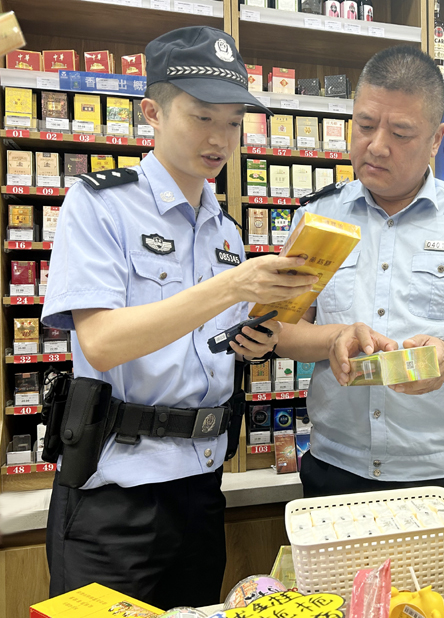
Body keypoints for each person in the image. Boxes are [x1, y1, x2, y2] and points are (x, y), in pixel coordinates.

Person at [41, 26, 317, 608]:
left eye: (234, 123)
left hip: (201, 489)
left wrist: (259, 338)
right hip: (114, 498)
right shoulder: (97, 205)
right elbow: (103, 340)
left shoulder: (226, 232)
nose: (220, 139)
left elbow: (225, 335)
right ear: (152, 113)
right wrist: (230, 286)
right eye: (202, 117)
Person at [276, 46, 444, 506]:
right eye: (364, 126)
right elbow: (280, 330)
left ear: (436, 139)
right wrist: (334, 339)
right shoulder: (317, 216)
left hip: (442, 475)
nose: (377, 145)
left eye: (400, 132)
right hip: (336, 467)